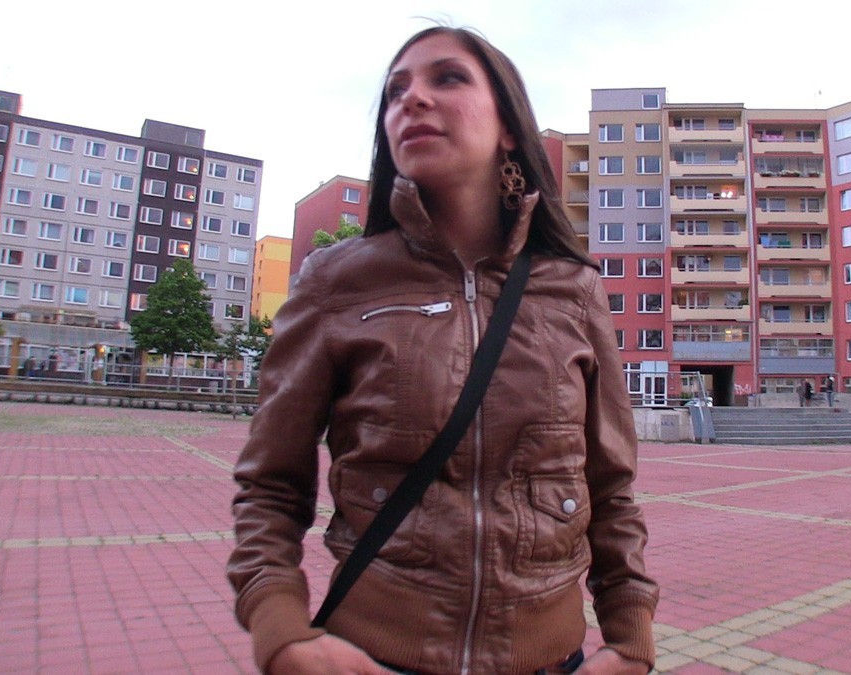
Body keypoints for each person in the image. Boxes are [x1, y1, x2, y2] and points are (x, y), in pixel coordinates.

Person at [228, 25, 657, 675]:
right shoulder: (336, 281)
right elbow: (270, 484)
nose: (412, 99)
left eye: (447, 78)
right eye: (395, 91)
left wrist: (630, 639)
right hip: (374, 656)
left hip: (551, 658)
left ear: (508, 126)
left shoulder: (573, 289)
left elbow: (611, 486)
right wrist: (280, 627)